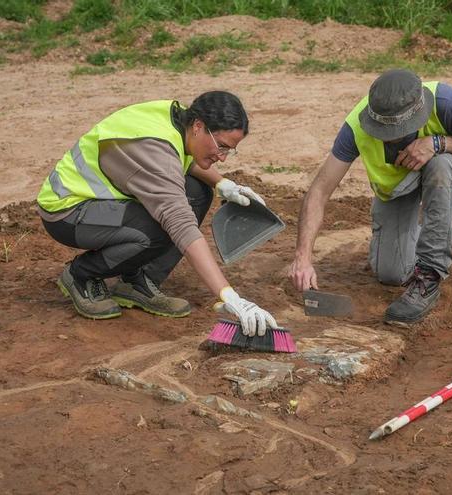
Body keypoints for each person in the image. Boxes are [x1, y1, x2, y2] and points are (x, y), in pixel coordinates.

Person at [36, 91, 278, 337]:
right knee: (162, 228)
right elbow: (181, 224)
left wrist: (223, 184)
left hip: (106, 202)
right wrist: (230, 296)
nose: (223, 157)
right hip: (69, 211)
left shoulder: (180, 120)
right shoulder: (152, 148)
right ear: (198, 126)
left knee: (198, 192)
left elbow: (181, 159)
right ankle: (82, 274)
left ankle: (136, 281)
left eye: (230, 151)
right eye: (222, 147)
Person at [288, 69, 452, 326]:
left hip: (445, 167)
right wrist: (302, 259)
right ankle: (449, 218)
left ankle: (430, 277)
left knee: (440, 166)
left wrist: (438, 143)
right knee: (391, 274)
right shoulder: (356, 126)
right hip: (398, 190)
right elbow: (319, 191)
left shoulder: (445, 101)